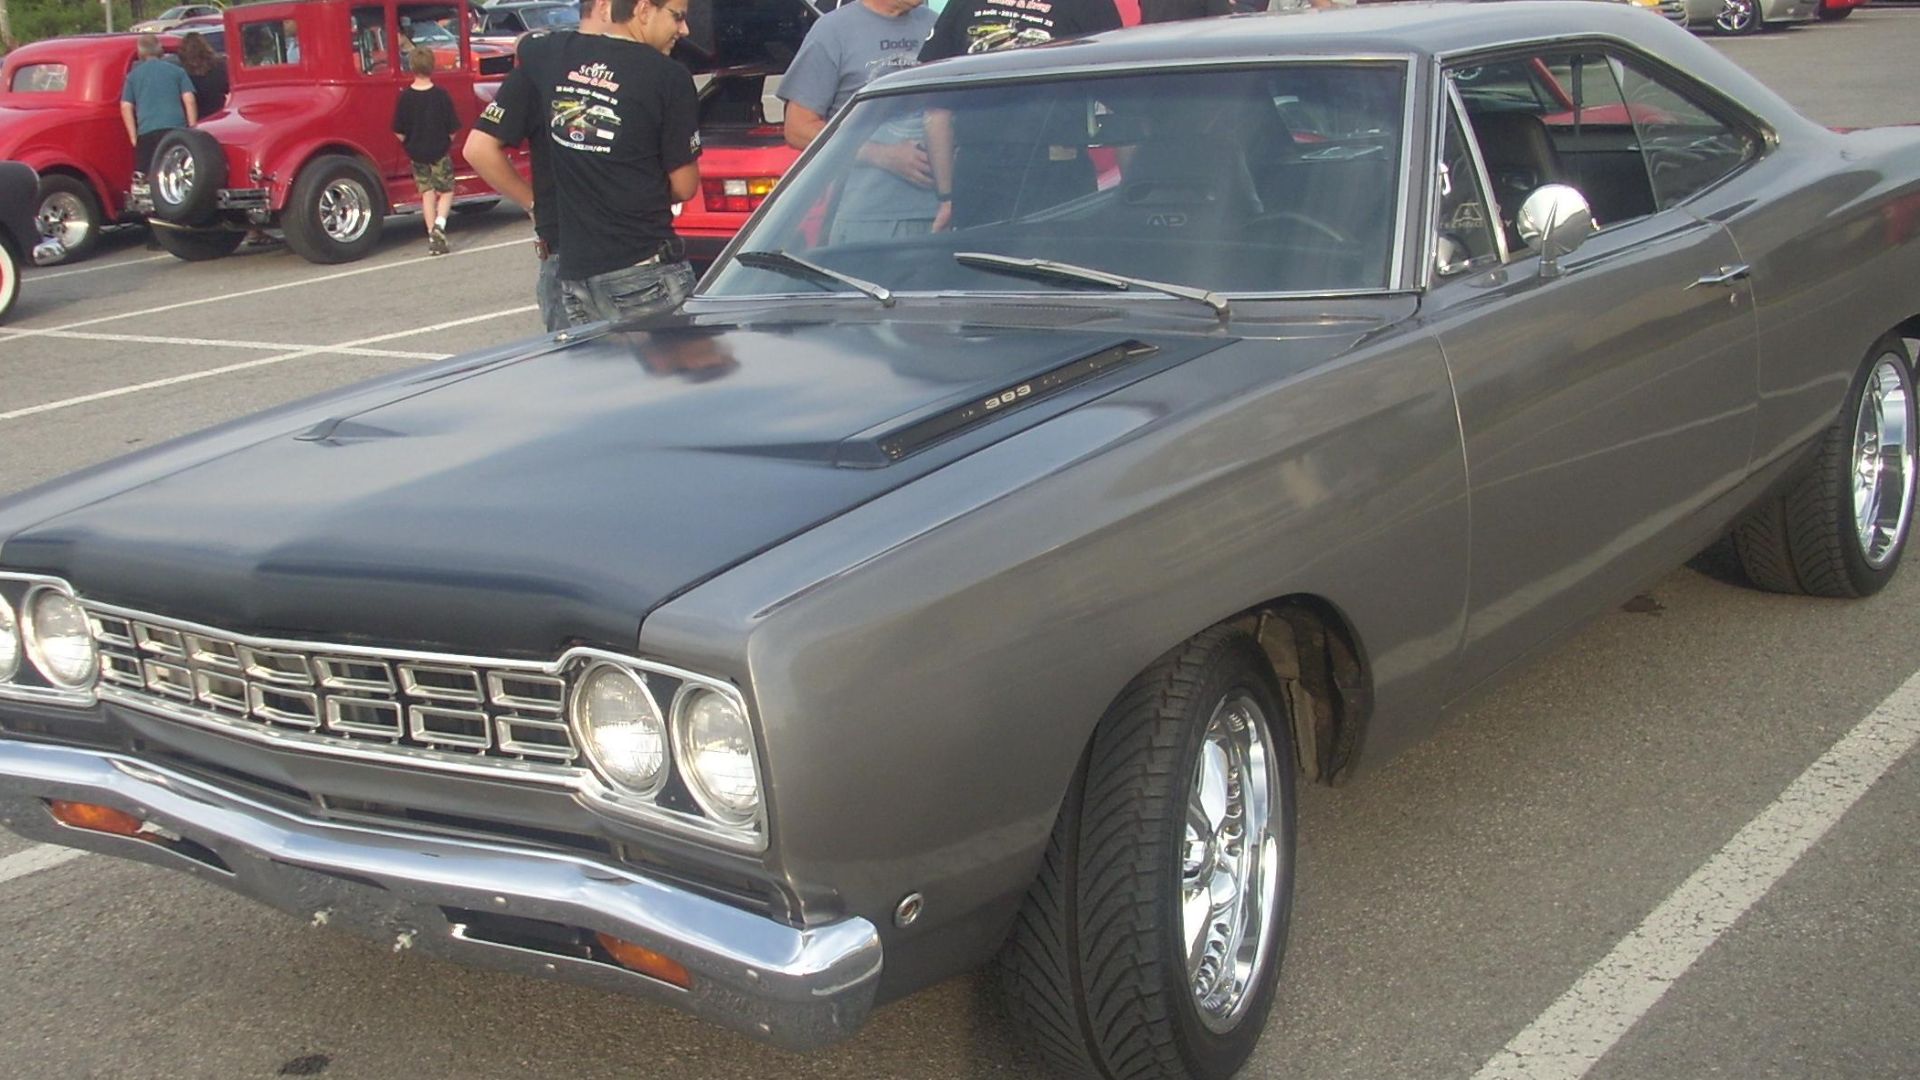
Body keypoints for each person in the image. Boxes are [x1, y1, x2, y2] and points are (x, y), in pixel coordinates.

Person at [466, 0, 701, 327]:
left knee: (587, 377)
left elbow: (526, 44)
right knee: (675, 375)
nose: (684, 30)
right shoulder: (667, 75)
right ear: (641, 10)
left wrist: (534, 203)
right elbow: (685, 186)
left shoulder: (551, 57)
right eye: (678, 17)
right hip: (638, 263)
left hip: (569, 267)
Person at [917, 0, 1121, 232]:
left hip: (1054, 174)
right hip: (980, 170)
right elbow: (936, 104)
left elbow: (1122, 100)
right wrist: (946, 197)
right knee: (980, 262)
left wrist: (1132, 192)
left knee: (1057, 263)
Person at [779, 0, 939, 242]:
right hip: (863, 219)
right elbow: (798, 128)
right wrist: (881, 155)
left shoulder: (935, 25)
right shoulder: (833, 30)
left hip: (943, 216)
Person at [392, 48, 462, 255]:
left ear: (411, 67)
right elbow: (453, 128)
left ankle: (432, 233)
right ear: (432, 66)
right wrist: (444, 142)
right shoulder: (441, 95)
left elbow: (398, 131)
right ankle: (440, 225)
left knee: (427, 193)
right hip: (439, 151)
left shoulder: (405, 98)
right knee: (447, 190)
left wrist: (410, 144)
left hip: (416, 153)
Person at [120, 34, 197, 178]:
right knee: (179, 170)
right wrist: (192, 128)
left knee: (148, 174)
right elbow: (189, 99)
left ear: (140, 51)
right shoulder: (177, 71)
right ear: (159, 49)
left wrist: (133, 137)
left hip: (147, 131)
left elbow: (125, 106)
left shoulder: (133, 76)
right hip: (175, 128)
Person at [177, 33, 227, 118]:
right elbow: (226, 88)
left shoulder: (181, 71)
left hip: (196, 116)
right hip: (218, 113)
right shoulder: (219, 65)